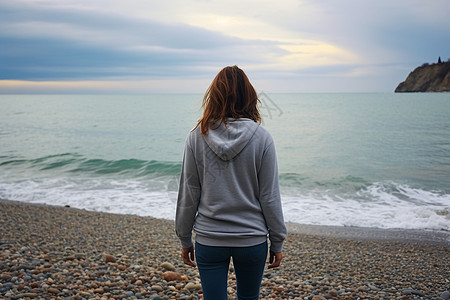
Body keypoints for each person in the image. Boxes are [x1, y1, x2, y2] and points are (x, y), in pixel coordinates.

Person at [175, 65, 287, 300]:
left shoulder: (196, 136)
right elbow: (269, 196)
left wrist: (184, 237)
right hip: (252, 239)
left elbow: (189, 191)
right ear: (249, 97)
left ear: (214, 96)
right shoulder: (262, 137)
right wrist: (277, 240)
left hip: (210, 238)